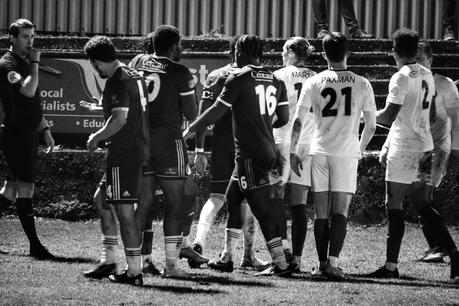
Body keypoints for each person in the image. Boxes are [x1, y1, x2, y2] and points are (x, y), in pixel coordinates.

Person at [184, 34, 292, 277]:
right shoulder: (275, 79)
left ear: (240, 51)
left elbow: (214, 111)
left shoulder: (239, 77)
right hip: (266, 149)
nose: (234, 56)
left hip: (250, 154)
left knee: (261, 209)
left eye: (236, 52)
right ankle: (226, 257)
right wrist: (262, 125)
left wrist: (190, 129)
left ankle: (280, 263)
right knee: (233, 198)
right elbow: (283, 118)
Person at [367, 29, 459, 284]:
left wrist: (364, 113)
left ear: (394, 52)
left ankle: (391, 266)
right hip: (425, 145)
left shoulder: (400, 77)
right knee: (422, 203)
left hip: (404, 147)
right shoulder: (428, 74)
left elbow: (387, 116)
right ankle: (454, 252)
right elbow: (429, 117)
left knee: (393, 204)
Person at [290, 32, 376, 280]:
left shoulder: (314, 82)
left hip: (319, 150)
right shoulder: (362, 83)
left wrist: (296, 150)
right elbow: (370, 125)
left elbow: (298, 120)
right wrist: (359, 148)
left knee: (321, 212)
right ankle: (334, 263)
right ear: (348, 53)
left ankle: (320, 263)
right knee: (340, 212)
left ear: (325, 54)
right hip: (345, 153)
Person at [128, 25, 206, 278]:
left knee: (143, 203)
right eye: (180, 44)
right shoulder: (180, 72)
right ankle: (171, 266)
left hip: (140, 141)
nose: (181, 49)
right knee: (175, 203)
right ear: (174, 46)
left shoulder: (138, 61)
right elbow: (194, 116)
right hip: (168, 143)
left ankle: (135, 264)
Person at [84, 35, 149, 286]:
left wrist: (96, 137)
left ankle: (134, 273)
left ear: (95, 61)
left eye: (93, 64)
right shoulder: (133, 74)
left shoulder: (117, 80)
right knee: (101, 200)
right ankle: (109, 260)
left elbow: (120, 119)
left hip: (126, 152)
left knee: (124, 212)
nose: (95, 69)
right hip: (131, 149)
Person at [387, 41, 459, 263]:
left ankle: (441, 249)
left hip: (426, 147)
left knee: (411, 199)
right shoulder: (419, 77)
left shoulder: (439, 83)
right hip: (421, 145)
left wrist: (455, 150)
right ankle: (445, 250)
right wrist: (387, 143)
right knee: (420, 200)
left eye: (422, 58)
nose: (418, 63)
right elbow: (403, 115)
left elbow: (456, 119)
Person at [0, 18, 56, 259]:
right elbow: (28, 91)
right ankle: (35, 246)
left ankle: (35, 246)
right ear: (12, 38)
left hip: (28, 132)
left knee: (10, 191)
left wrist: (44, 129)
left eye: (32, 37)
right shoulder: (7, 63)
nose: (30, 42)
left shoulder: (23, 62)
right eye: (25, 37)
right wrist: (35, 62)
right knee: (26, 187)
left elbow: (33, 103)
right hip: (15, 133)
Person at [271, 37, 316, 273]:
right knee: (299, 204)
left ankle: (282, 253)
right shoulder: (316, 76)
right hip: (307, 145)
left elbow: (271, 111)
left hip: (282, 141)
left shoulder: (279, 75)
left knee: (275, 196)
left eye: (283, 50)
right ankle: (296, 259)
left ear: (289, 52)